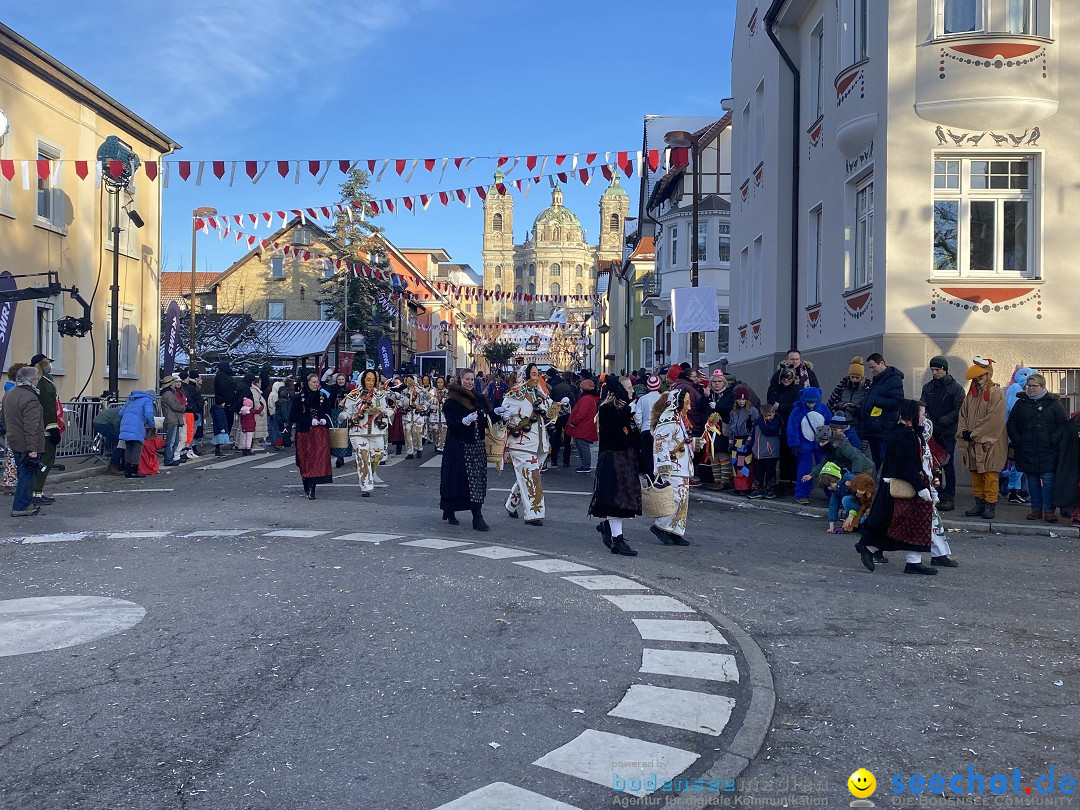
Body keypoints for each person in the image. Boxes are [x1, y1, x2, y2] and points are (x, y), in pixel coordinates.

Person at [855, 399, 939, 575]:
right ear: (913, 415)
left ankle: (913, 561)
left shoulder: (909, 432)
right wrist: (920, 487)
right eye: (922, 414)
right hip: (901, 488)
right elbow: (905, 464)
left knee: (911, 524)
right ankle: (869, 548)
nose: (924, 417)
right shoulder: (904, 434)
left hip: (907, 486)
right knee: (894, 524)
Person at [440, 369, 506, 530]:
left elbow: (485, 420)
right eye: (467, 379)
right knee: (457, 480)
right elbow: (452, 426)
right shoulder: (452, 401)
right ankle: (455, 510)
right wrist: (464, 421)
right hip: (459, 446)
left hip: (476, 445)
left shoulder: (478, 398)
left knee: (477, 481)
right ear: (460, 380)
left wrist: (498, 414)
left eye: (471, 379)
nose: (469, 382)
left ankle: (476, 515)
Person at [589, 375, 641, 556]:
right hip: (613, 458)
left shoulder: (622, 409)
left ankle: (610, 530)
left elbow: (631, 435)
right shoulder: (606, 409)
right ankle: (617, 540)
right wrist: (628, 411)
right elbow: (612, 434)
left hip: (625, 458)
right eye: (628, 388)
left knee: (623, 501)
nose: (632, 391)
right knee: (615, 500)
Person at [1007, 373, 1066, 523]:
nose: (1031, 388)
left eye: (1035, 386)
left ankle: (1049, 510)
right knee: (1032, 480)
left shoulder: (1053, 403)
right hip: (1027, 448)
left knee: (1048, 480)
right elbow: (1012, 423)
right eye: (1029, 385)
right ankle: (1036, 509)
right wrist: (1018, 440)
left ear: (1043, 386)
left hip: (1048, 449)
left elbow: (1062, 425)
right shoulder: (1021, 403)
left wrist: (1053, 440)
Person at [956, 357, 1008, 520]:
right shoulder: (971, 395)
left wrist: (974, 434)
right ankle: (979, 503)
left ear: (988, 374)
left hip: (991, 442)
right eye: (976, 378)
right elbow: (962, 415)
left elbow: (995, 418)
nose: (978, 380)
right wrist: (964, 431)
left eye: (981, 376)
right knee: (975, 473)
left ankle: (990, 505)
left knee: (990, 474)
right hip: (972, 441)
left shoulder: (996, 392)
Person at [503, 363, 554, 525]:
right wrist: (507, 417)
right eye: (532, 373)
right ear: (524, 375)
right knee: (532, 477)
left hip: (540, 443)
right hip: (521, 444)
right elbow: (505, 414)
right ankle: (534, 514)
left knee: (526, 476)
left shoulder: (541, 394)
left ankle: (511, 505)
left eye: (537, 374)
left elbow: (551, 413)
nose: (536, 377)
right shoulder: (514, 394)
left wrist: (562, 406)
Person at [651, 388, 697, 545]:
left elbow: (681, 442)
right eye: (686, 403)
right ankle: (661, 526)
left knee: (682, 500)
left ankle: (675, 531)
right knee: (674, 498)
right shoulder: (669, 420)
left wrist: (697, 443)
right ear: (677, 403)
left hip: (682, 467)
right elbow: (660, 442)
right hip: (672, 467)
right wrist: (664, 466)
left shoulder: (679, 420)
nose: (689, 407)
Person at [920, 356, 966, 511]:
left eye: (937, 370)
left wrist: (943, 421)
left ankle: (949, 495)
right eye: (932, 370)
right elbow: (923, 406)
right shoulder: (928, 387)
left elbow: (959, 409)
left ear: (945, 370)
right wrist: (929, 422)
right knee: (934, 464)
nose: (934, 372)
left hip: (948, 431)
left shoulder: (956, 388)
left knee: (948, 464)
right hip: (932, 431)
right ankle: (936, 493)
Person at [340, 370, 395, 497]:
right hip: (358, 431)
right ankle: (366, 486)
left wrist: (383, 411)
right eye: (368, 379)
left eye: (372, 380)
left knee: (378, 455)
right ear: (363, 380)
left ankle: (370, 472)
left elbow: (386, 409)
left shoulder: (380, 395)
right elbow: (347, 411)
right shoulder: (354, 395)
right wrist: (346, 415)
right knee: (363, 457)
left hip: (376, 431)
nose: (370, 382)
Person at [4, 365, 45, 516]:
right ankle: (21, 506)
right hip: (27, 443)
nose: (37, 382)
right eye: (36, 379)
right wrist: (33, 448)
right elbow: (31, 426)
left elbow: (3, 419)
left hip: (14, 440)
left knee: (23, 473)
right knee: (27, 475)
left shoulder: (9, 395)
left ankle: (22, 504)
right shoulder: (31, 398)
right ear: (32, 381)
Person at [289, 373, 334, 499]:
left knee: (317, 458)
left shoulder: (323, 396)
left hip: (319, 432)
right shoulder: (299, 398)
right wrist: (309, 420)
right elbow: (293, 415)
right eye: (314, 382)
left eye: (317, 382)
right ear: (308, 382)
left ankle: (313, 486)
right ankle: (306, 481)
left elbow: (327, 411)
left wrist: (324, 419)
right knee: (304, 458)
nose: (316, 384)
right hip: (304, 431)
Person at [859, 353, 906, 468]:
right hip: (874, 428)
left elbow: (897, 402)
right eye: (869, 368)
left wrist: (876, 401)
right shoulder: (877, 380)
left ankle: (886, 485)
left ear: (881, 363)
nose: (871, 370)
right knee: (877, 461)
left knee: (884, 460)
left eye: (873, 367)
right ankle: (880, 485)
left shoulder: (894, 379)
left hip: (884, 429)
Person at [788, 387, 832, 505]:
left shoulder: (823, 409)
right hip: (804, 444)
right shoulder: (798, 410)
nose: (811, 404)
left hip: (820, 444)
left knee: (825, 468)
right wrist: (794, 444)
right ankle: (802, 494)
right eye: (808, 402)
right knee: (804, 469)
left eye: (813, 402)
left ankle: (832, 492)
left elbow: (829, 425)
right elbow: (792, 429)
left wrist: (828, 441)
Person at [1003, 365, 1038, 504]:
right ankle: (1013, 491)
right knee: (1016, 464)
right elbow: (1013, 409)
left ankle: (1016, 490)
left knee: (1017, 464)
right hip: (1015, 434)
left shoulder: (1016, 388)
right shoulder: (1016, 388)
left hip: (1017, 433)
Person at [30, 354, 61, 506]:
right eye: (48, 363)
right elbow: (48, 407)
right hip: (45, 429)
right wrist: (53, 427)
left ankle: (37, 491)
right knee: (45, 460)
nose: (50, 366)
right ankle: (36, 492)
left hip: (41, 427)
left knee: (44, 461)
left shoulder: (43, 381)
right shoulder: (43, 383)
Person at [767, 365, 802, 493]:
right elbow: (770, 400)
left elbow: (796, 406)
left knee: (792, 455)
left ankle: (793, 482)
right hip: (779, 425)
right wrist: (779, 374)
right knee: (782, 454)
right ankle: (783, 481)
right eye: (783, 378)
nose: (786, 380)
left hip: (791, 425)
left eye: (788, 378)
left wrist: (780, 406)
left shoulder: (796, 390)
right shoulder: (777, 389)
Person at [698, 370, 734, 491]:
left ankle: (724, 481)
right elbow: (699, 408)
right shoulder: (708, 394)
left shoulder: (729, 394)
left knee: (723, 454)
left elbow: (730, 409)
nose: (717, 384)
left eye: (719, 381)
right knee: (713, 455)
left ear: (724, 383)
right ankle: (717, 480)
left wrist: (717, 407)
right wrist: (705, 397)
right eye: (714, 381)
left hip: (722, 428)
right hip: (710, 429)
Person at [827, 356, 869, 448]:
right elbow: (830, 403)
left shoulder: (867, 388)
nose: (854, 379)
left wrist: (856, 408)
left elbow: (869, 407)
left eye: (857, 377)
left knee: (858, 450)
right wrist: (843, 405)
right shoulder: (842, 385)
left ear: (861, 376)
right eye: (852, 377)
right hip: (842, 423)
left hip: (859, 424)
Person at [118, 388, 155, 480]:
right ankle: (133, 470)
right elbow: (148, 414)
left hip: (126, 423)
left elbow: (121, 413)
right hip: (137, 425)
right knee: (137, 447)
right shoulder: (148, 400)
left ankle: (127, 470)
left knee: (129, 447)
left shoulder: (132, 399)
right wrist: (152, 424)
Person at [729, 386, 759, 494]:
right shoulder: (733, 412)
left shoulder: (752, 411)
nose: (741, 402)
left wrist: (750, 439)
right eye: (739, 399)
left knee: (744, 464)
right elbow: (731, 426)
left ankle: (746, 487)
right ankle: (738, 486)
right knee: (736, 463)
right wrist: (730, 439)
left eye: (743, 399)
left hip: (746, 439)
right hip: (736, 440)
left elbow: (754, 426)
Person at [565, 378, 599, 474]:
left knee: (583, 447)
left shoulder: (585, 399)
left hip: (582, 427)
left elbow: (581, 414)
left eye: (581, 388)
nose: (580, 389)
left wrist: (573, 422)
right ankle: (585, 465)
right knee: (583, 446)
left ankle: (586, 466)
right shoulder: (591, 399)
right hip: (587, 426)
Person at [749, 403, 781, 499]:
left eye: (770, 415)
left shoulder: (776, 421)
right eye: (765, 416)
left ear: (774, 412)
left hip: (770, 453)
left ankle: (770, 488)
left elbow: (769, 431)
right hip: (758, 452)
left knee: (770, 471)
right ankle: (757, 488)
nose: (768, 418)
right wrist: (751, 445)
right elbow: (754, 434)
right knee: (758, 471)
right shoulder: (758, 421)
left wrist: (761, 422)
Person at [633, 375, 663, 477]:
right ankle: (661, 481)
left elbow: (637, 417)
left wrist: (641, 427)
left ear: (648, 387)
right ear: (659, 386)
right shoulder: (664, 398)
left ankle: (651, 482)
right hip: (661, 431)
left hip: (646, 430)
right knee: (660, 456)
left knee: (648, 457)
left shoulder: (642, 399)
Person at [160, 375, 187, 467]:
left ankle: (170, 458)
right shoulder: (168, 393)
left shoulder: (169, 393)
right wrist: (184, 408)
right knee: (171, 441)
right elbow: (174, 406)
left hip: (173, 418)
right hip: (172, 418)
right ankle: (168, 459)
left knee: (174, 440)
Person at [400, 376, 429, 459]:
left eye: (410, 381)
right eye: (407, 381)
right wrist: (402, 405)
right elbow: (401, 402)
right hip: (407, 415)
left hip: (418, 415)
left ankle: (419, 448)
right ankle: (410, 452)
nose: (409, 383)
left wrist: (422, 407)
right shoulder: (404, 392)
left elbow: (427, 400)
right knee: (407, 434)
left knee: (417, 433)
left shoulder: (420, 391)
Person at [180, 371, 204, 458]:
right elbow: (197, 399)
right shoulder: (190, 388)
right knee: (189, 431)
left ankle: (186, 450)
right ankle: (186, 450)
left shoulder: (181, 388)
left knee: (186, 432)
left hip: (186, 411)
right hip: (190, 411)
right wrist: (197, 408)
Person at [213, 361, 241, 436]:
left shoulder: (220, 375)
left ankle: (225, 437)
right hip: (226, 403)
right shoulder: (223, 376)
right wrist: (229, 401)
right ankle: (225, 438)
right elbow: (225, 390)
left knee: (226, 422)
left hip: (224, 402)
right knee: (227, 422)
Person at [427, 376, 448, 454]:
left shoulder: (447, 392)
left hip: (443, 416)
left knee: (443, 432)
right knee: (435, 432)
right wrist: (430, 406)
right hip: (434, 415)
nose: (440, 384)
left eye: (441, 382)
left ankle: (441, 447)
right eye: (438, 382)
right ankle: (437, 444)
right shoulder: (432, 392)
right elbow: (426, 402)